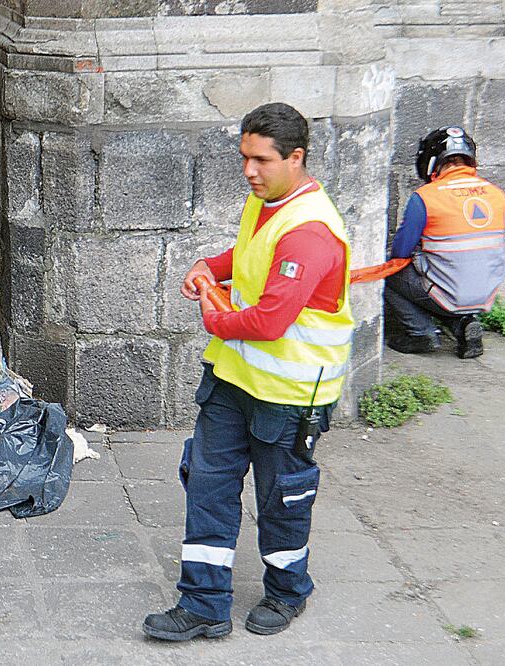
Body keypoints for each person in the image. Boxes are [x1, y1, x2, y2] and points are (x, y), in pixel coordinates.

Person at [142, 103, 353, 641]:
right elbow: (249, 255)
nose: (248, 171)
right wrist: (209, 267)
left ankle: (287, 592)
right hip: (233, 383)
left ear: (296, 158)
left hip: (289, 396)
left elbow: (270, 320)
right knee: (208, 485)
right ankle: (204, 604)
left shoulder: (310, 232)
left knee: (281, 497)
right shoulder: (267, 203)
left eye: (260, 160)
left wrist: (214, 314)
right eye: (244, 157)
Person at [384, 126, 505, 359]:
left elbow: (401, 251)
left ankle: (420, 332)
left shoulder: (426, 196)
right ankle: (463, 324)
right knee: (447, 281)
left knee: (386, 271)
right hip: (485, 294)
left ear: (431, 161)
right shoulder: (496, 194)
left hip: (446, 290)